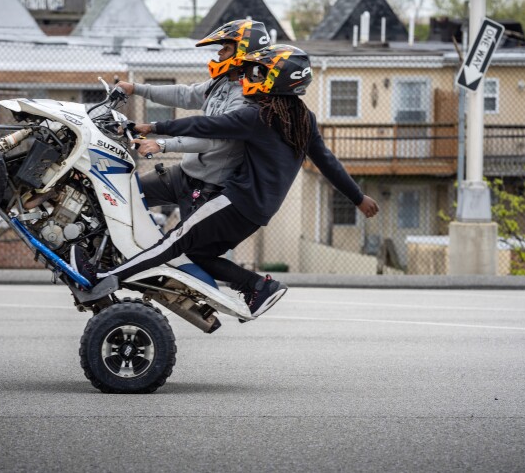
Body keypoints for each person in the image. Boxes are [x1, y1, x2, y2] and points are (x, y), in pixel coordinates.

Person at [74, 44, 379, 318]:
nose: (251, 77)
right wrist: (358, 198)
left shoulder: (258, 116)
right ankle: (257, 286)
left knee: (175, 241)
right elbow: (328, 163)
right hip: (257, 214)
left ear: (278, 79)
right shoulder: (303, 118)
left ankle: (105, 278)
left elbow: (206, 125)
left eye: (260, 72)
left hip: (236, 202)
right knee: (198, 253)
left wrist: (153, 127)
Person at [118, 18, 270, 223]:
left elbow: (214, 141)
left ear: (243, 54)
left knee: (188, 244)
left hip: (208, 188)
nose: (219, 53)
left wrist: (161, 144)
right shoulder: (222, 81)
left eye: (226, 48)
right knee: (124, 195)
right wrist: (136, 88)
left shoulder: (246, 100)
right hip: (182, 174)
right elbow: (185, 94)